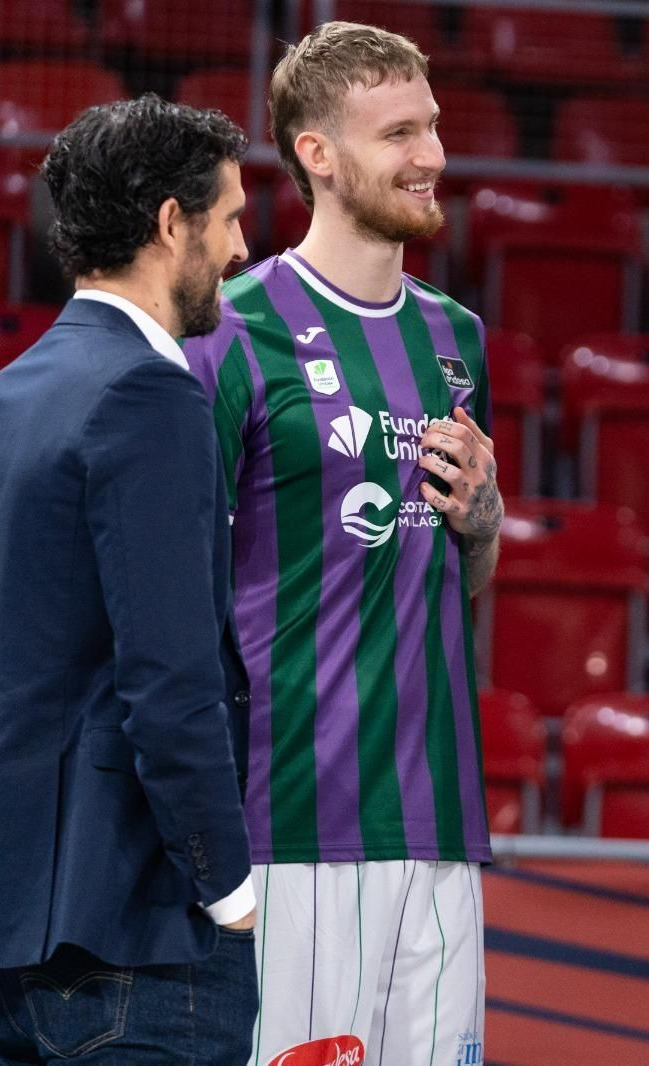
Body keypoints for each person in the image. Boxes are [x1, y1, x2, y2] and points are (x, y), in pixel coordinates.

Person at [0, 95, 260, 1065]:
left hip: (9, 929)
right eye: (232, 218)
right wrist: (228, 887)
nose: (242, 250)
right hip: (137, 936)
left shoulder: (8, 392)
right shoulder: (150, 395)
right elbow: (171, 683)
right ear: (171, 223)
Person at [182, 22, 500, 1066]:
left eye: (433, 127)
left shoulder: (456, 337)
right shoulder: (231, 329)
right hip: (293, 825)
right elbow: (180, 593)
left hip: (443, 822)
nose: (431, 154)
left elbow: (457, 580)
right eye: (398, 132)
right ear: (316, 153)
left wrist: (485, 524)